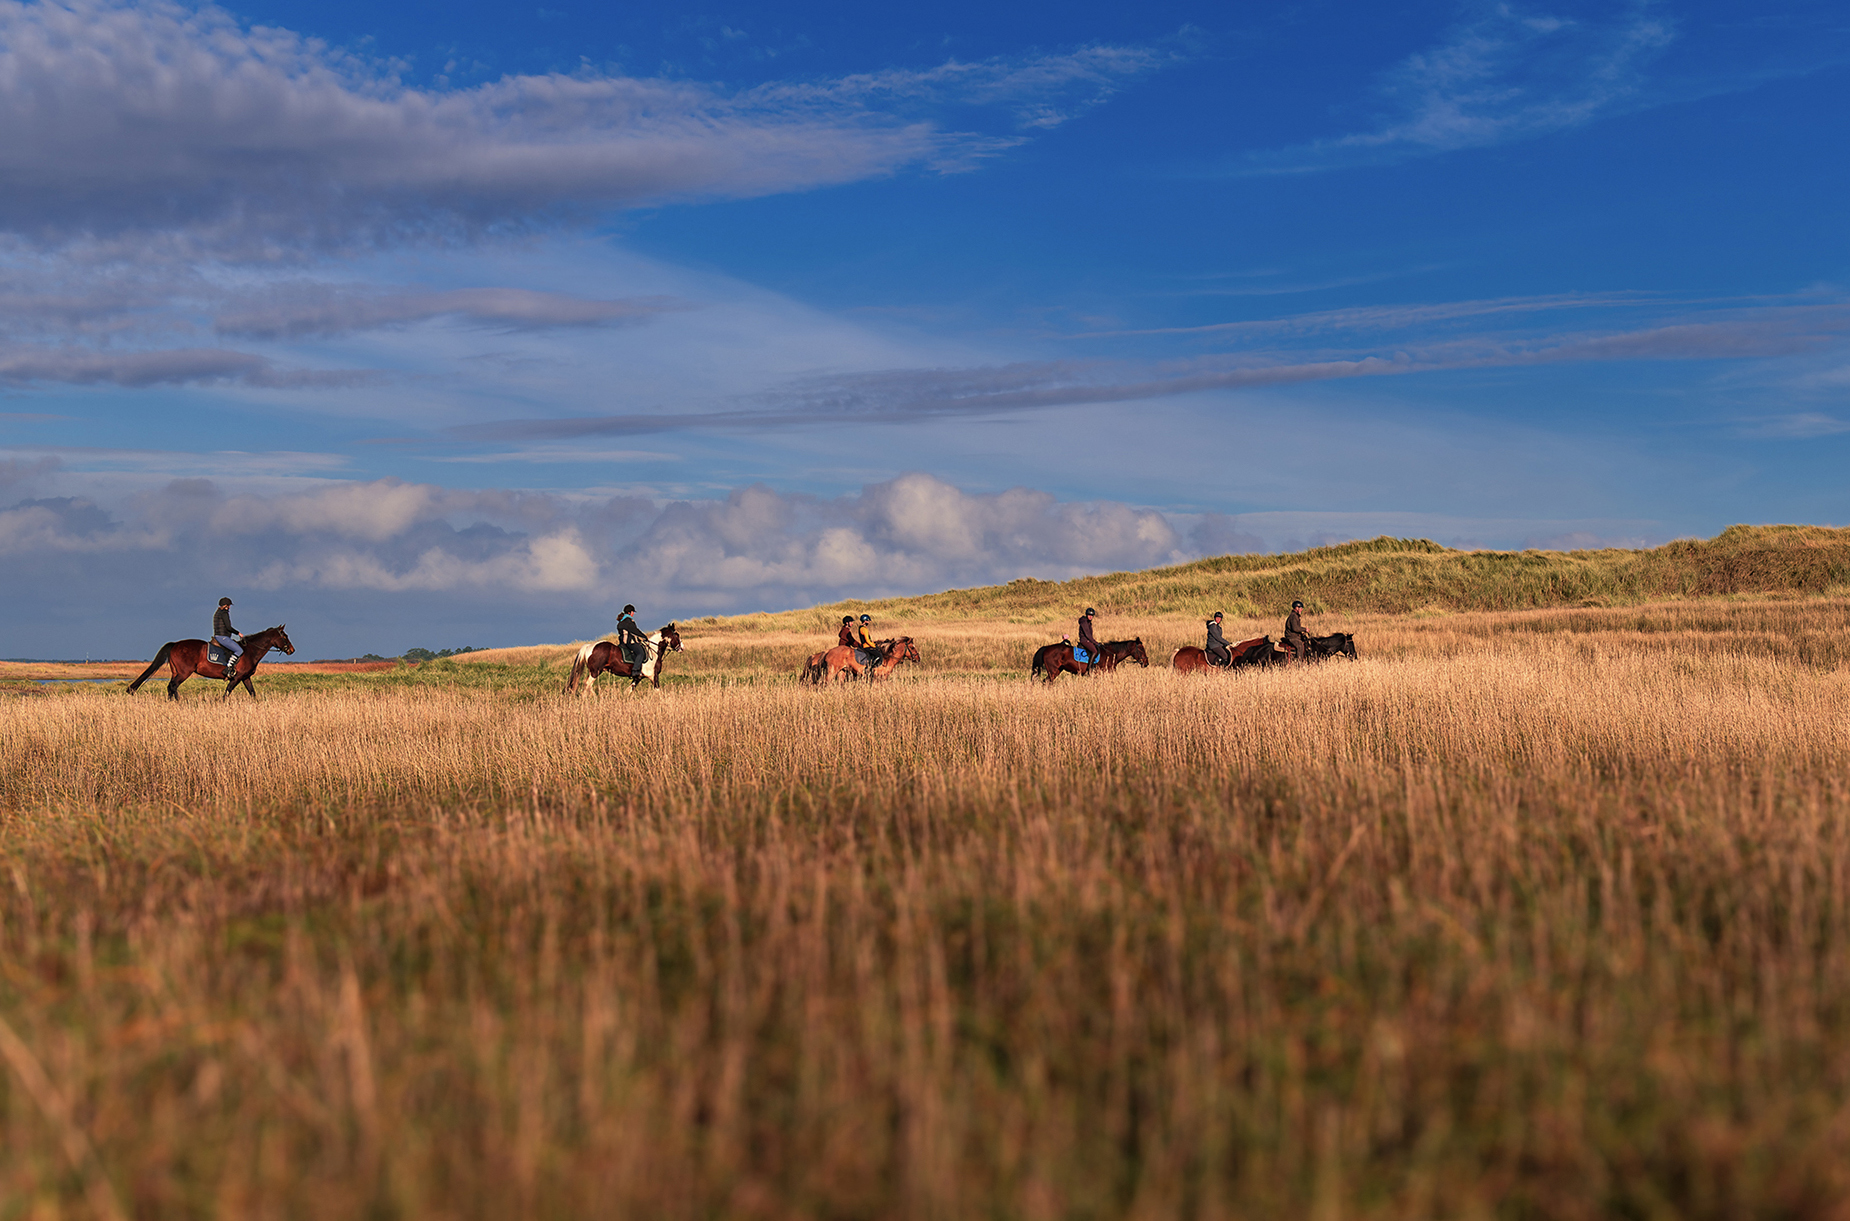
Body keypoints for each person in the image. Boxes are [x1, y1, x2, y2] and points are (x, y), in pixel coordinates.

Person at [211, 597, 243, 664]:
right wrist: (238, 633)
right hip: (223, 637)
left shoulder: (217, 612)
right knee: (239, 650)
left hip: (217, 636)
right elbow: (228, 627)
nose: (229, 608)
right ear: (225, 606)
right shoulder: (224, 613)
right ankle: (229, 667)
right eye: (229, 606)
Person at [615, 604, 646, 669]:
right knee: (640, 653)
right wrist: (644, 637)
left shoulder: (621, 622)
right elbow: (635, 631)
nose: (633, 614)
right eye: (633, 612)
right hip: (629, 642)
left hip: (622, 642)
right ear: (629, 612)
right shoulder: (629, 621)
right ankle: (635, 670)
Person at [1283, 600, 1311, 665]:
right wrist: (1304, 629)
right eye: (1301, 608)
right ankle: (1299, 663)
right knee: (1300, 645)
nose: (1302, 609)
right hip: (1291, 637)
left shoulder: (1295, 616)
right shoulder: (1293, 616)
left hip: (1295, 636)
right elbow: (1295, 628)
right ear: (1296, 608)